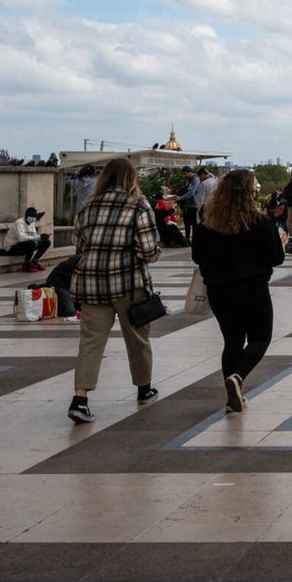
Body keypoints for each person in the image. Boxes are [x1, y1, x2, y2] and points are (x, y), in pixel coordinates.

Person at [68, 157, 162, 424]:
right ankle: (144, 388)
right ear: (131, 178)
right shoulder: (139, 205)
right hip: (128, 285)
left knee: (90, 342)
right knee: (137, 339)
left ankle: (80, 399)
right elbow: (149, 251)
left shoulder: (89, 205)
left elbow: (79, 244)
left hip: (91, 284)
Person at [192, 169, 286, 414]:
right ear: (249, 192)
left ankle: (232, 398)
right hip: (253, 289)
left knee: (232, 341)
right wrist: (282, 243)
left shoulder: (206, 225)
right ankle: (237, 377)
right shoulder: (260, 223)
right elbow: (276, 258)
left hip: (219, 291)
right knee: (260, 338)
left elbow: (198, 257)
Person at [178, 166, 201, 244]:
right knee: (187, 224)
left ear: (190, 172)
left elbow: (192, 192)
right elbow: (186, 190)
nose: (184, 175)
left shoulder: (196, 180)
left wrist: (181, 197)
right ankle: (187, 239)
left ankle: (195, 240)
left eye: (185, 174)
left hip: (194, 205)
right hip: (187, 205)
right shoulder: (188, 180)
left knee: (194, 224)